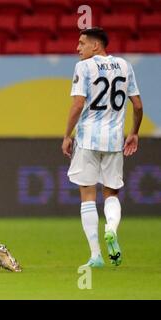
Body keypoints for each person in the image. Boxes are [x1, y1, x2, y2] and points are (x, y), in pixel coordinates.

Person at [62, 27, 143, 267]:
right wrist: (134, 133)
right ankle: (111, 228)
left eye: (81, 43)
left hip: (87, 140)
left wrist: (67, 134)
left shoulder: (84, 67)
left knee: (87, 196)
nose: (78, 48)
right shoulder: (125, 66)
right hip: (114, 140)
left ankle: (96, 255)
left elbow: (78, 104)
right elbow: (137, 105)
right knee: (111, 193)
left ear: (96, 46)